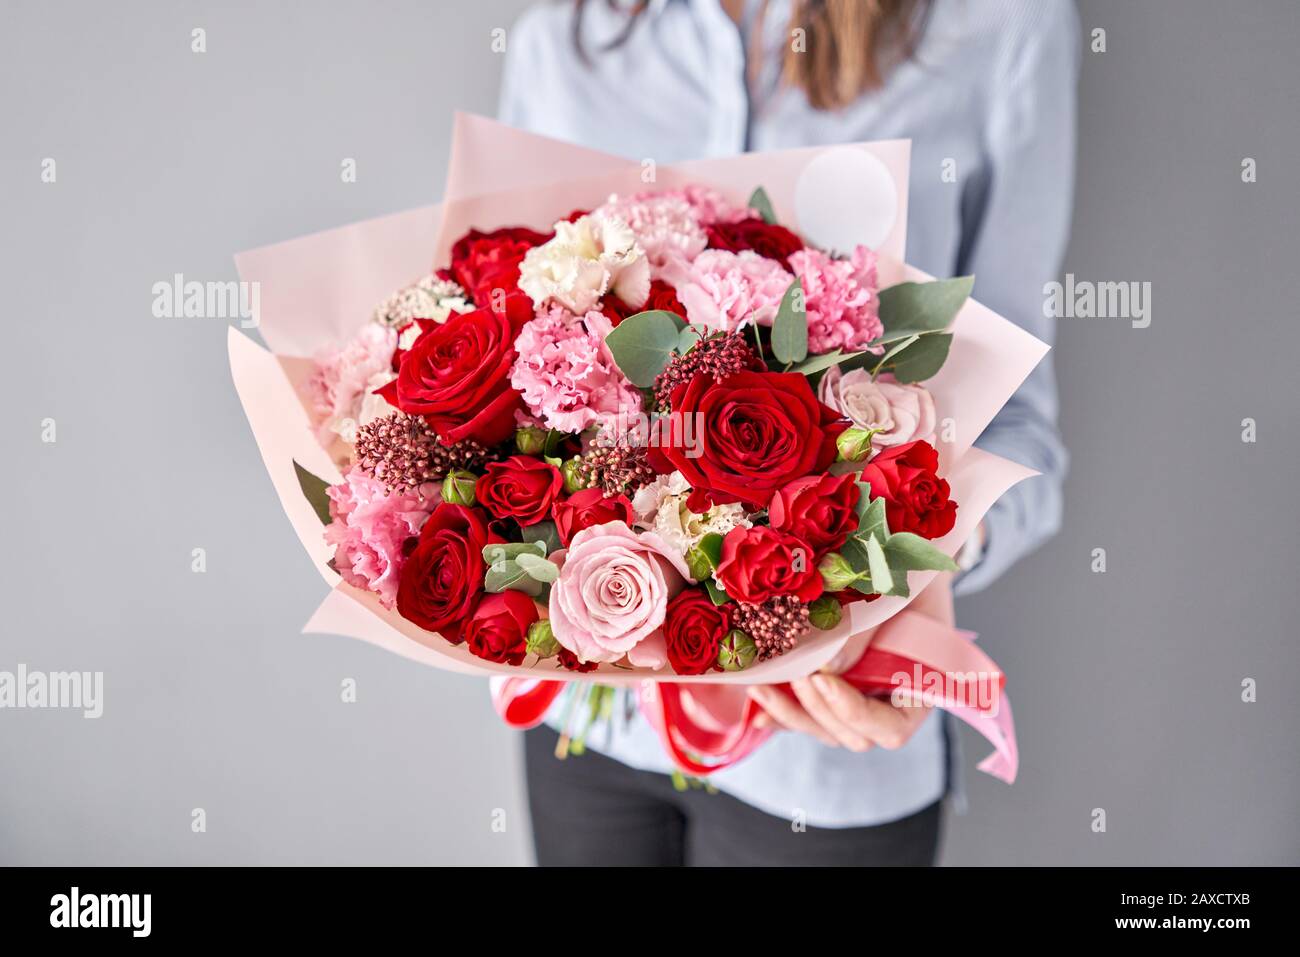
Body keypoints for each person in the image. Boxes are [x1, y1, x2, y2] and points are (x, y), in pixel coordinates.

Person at [498, 0, 1075, 866]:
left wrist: (919, 590)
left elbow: (1022, 429)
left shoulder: (1000, 25)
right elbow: (511, 343)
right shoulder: (566, 31)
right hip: (590, 725)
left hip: (827, 755)